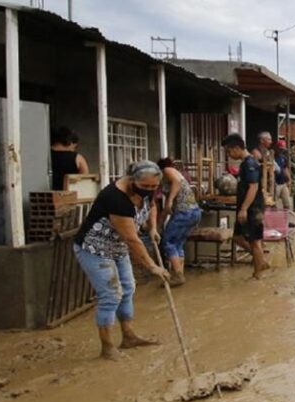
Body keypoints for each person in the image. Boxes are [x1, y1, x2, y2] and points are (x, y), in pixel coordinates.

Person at [73, 160, 170, 360]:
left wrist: (152, 227)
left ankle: (128, 336)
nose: (150, 190)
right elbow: (132, 239)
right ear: (132, 180)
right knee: (111, 294)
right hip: (94, 249)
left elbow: (151, 206)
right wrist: (152, 266)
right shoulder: (116, 198)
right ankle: (107, 348)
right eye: (146, 187)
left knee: (128, 288)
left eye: (154, 187)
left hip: (117, 247)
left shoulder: (146, 189)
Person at [223, 133, 269, 279]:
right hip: (247, 207)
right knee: (237, 237)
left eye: (229, 151)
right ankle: (260, 260)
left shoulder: (250, 164)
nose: (229, 155)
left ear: (236, 148)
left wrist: (244, 209)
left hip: (252, 209)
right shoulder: (245, 163)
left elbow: (253, 187)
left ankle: (258, 274)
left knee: (255, 242)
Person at [156, 158, 202, 286]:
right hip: (193, 212)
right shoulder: (171, 177)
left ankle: (177, 275)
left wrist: (170, 200)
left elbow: (176, 182)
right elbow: (166, 209)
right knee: (177, 244)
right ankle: (179, 274)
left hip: (184, 212)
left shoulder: (168, 170)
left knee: (168, 242)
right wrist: (158, 226)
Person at [50, 126, 88, 190]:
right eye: (74, 147)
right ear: (70, 142)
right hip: (70, 196)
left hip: (47, 196)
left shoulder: (43, 155)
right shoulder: (78, 158)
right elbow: (85, 180)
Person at [274, 140, 292, 210]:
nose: (281, 151)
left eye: (283, 149)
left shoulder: (283, 158)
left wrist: (289, 179)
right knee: (273, 203)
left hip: (283, 183)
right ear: (277, 148)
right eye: (280, 149)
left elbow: (285, 169)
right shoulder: (272, 157)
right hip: (275, 184)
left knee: (287, 204)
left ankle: (286, 219)